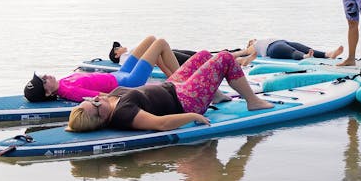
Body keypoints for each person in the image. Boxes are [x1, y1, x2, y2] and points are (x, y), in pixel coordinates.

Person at [66, 49, 273, 132]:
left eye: (91, 100)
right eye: (95, 105)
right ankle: (252, 101)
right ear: (100, 118)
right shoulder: (123, 114)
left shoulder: (110, 104)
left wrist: (105, 97)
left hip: (174, 86)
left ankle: (215, 94)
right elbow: (161, 123)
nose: (95, 100)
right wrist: (192, 116)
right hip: (185, 101)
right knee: (225, 58)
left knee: (202, 55)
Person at [25, 36, 181, 103]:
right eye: (43, 81)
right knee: (160, 43)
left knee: (151, 40)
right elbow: (104, 96)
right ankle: (183, 80)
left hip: (120, 73)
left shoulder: (63, 82)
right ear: (47, 93)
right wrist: (133, 95)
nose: (46, 76)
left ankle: (175, 81)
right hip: (130, 80)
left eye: (42, 76)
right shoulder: (69, 91)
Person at [109, 41, 255, 67]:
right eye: (118, 48)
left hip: (169, 51)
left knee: (200, 55)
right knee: (201, 60)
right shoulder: (124, 59)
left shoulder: (127, 53)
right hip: (164, 56)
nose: (121, 47)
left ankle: (239, 54)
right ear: (116, 55)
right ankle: (240, 57)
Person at [247, 38, 343, 61]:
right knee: (291, 52)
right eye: (251, 41)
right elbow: (239, 53)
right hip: (272, 48)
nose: (254, 39)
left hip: (282, 41)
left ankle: (328, 54)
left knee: (305, 48)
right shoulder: (253, 47)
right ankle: (305, 56)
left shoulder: (262, 39)